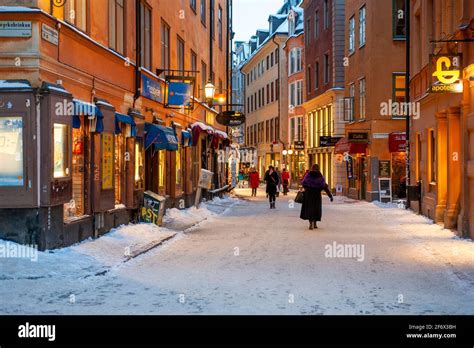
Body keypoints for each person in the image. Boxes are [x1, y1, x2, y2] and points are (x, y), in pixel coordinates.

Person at [300, 164, 333, 230]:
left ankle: (310, 223)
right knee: (316, 208)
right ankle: (315, 223)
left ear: (312, 168)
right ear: (318, 168)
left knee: (309, 208)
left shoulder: (308, 175)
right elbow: (324, 187)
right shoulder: (320, 176)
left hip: (309, 195)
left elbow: (303, 184)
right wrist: (330, 196)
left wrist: (308, 188)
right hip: (317, 195)